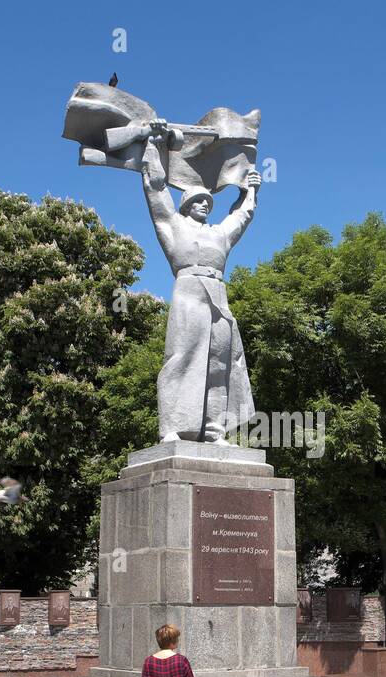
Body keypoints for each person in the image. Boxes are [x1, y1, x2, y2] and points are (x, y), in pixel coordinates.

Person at [141, 126, 261, 443]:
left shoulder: (219, 234)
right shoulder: (173, 225)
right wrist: (153, 146)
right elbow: (155, 188)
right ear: (185, 205)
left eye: (208, 200)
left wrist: (250, 191)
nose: (206, 204)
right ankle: (172, 429)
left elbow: (242, 216)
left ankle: (213, 429)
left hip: (218, 298)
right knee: (181, 357)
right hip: (189, 292)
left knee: (219, 365)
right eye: (198, 199)